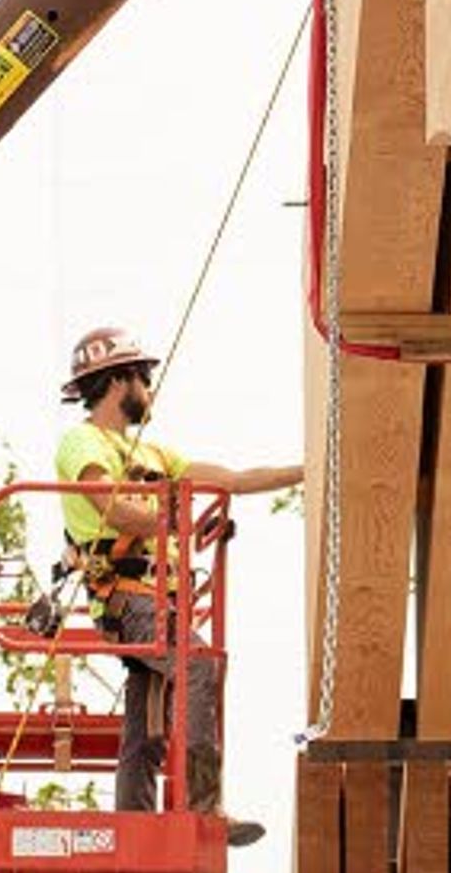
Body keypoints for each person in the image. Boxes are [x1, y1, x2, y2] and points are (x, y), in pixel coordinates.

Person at [52, 323, 301, 818]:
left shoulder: (152, 453)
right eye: (144, 379)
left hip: (154, 598)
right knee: (198, 663)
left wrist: (307, 470)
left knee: (145, 727)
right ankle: (202, 806)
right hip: (126, 598)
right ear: (121, 381)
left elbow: (231, 478)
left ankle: (134, 823)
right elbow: (112, 508)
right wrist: (174, 520)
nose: (150, 390)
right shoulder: (82, 442)